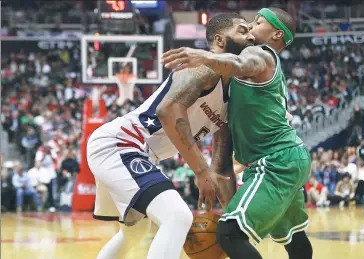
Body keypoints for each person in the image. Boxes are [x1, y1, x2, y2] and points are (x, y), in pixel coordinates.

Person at [87, 13, 255, 259]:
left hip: (141, 153)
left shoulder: (230, 95)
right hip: (122, 143)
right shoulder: (202, 66)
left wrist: (232, 219)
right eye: (243, 30)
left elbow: (220, 165)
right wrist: (200, 170)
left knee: (134, 232)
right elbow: (168, 111)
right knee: (177, 216)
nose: (251, 36)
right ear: (220, 40)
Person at [162, 7, 312, 259]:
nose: (251, 26)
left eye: (258, 22)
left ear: (276, 35)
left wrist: (205, 56)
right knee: (294, 237)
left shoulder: (261, 53)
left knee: (230, 233)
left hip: (276, 161)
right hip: (289, 158)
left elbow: (241, 63)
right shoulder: (266, 68)